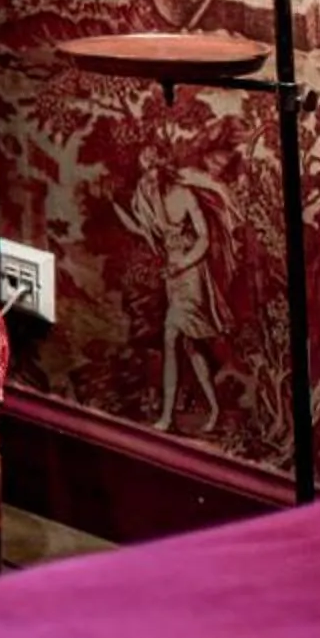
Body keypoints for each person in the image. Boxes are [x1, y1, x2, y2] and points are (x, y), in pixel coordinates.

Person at [120, 160, 232, 435]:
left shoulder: (185, 195)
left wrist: (182, 264)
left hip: (191, 273)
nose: (150, 178)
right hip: (173, 277)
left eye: (153, 172)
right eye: (145, 173)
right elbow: (143, 229)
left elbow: (204, 239)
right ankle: (207, 409)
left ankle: (168, 416)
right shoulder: (148, 197)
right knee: (189, 347)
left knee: (172, 336)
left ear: (164, 169)